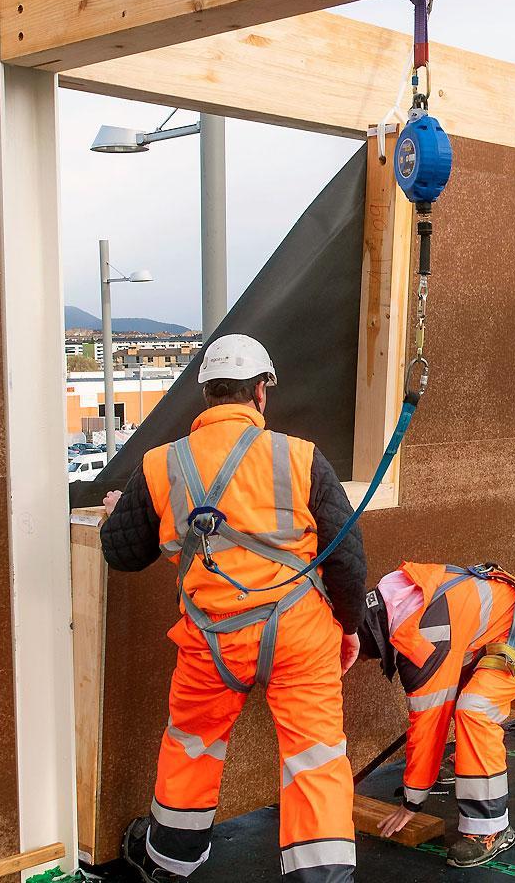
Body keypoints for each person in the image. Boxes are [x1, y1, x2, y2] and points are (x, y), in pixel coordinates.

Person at [100, 334, 367, 883]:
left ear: (206, 394)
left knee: (191, 745)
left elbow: (122, 556)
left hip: (211, 638)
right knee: (315, 761)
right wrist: (348, 625)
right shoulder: (301, 457)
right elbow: (348, 559)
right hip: (299, 635)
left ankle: (170, 862)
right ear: (260, 392)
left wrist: (116, 516)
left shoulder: (160, 465)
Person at [356, 562, 515, 869]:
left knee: (473, 709)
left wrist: (412, 802)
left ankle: (491, 829)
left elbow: (428, 724)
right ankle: (463, 764)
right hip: (486, 635)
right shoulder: (390, 598)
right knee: (450, 695)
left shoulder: (421, 637)